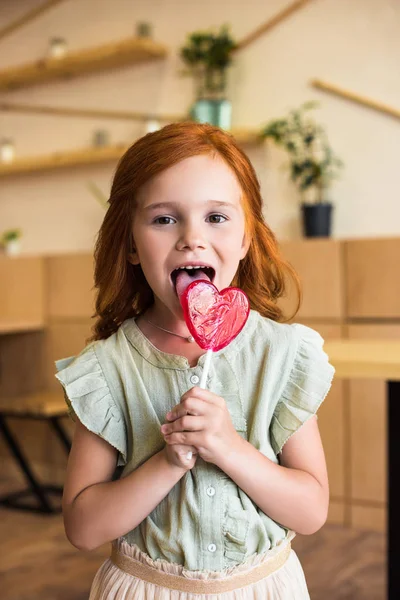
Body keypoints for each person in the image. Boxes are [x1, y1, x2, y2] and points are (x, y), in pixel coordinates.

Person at [55, 121, 335, 599]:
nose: (192, 238)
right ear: (130, 245)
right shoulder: (108, 369)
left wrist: (229, 447)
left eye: (217, 218)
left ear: (246, 239)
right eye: (164, 219)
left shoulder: (280, 355)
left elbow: (311, 512)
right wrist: (167, 462)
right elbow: (82, 528)